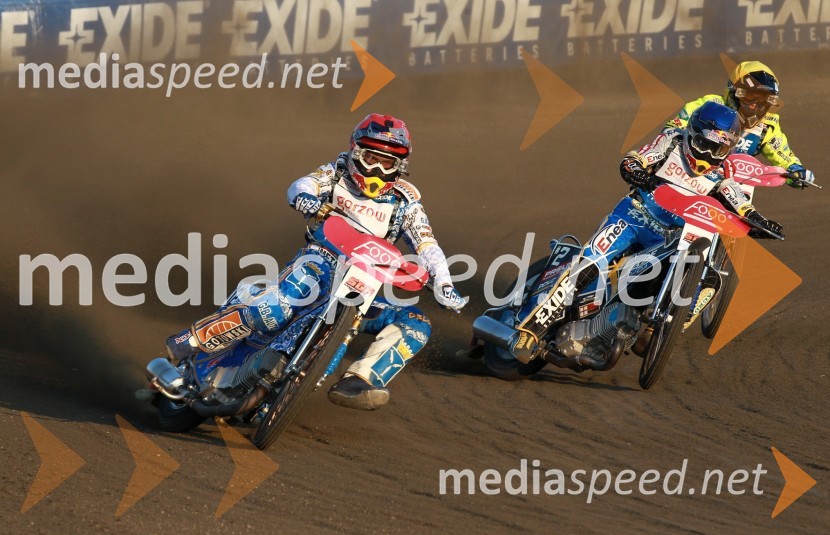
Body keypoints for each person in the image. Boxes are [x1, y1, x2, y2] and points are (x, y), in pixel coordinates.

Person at [167, 114, 466, 410]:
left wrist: (444, 282)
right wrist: (306, 199)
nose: (376, 169)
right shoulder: (336, 174)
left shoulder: (406, 203)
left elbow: (427, 244)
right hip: (317, 266)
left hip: (363, 287)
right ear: (355, 152)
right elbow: (301, 185)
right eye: (371, 158)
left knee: (416, 323)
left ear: (399, 166)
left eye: (387, 163)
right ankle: (190, 341)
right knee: (273, 309)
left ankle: (359, 380)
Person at [511, 102, 781, 363]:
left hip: (668, 237)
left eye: (719, 149)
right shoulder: (672, 141)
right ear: (692, 134)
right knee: (590, 263)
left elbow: (738, 201)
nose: (710, 155)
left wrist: (758, 222)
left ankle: (654, 326)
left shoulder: (723, 171)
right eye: (705, 145)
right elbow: (635, 159)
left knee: (707, 280)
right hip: (633, 217)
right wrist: (637, 171)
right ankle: (529, 330)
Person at [665, 60, 814, 188]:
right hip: (683, 175)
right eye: (750, 96)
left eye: (763, 100)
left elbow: (784, 156)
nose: (754, 105)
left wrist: (797, 170)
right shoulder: (708, 105)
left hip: (728, 190)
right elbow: (672, 129)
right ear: (732, 93)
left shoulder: (767, 126)